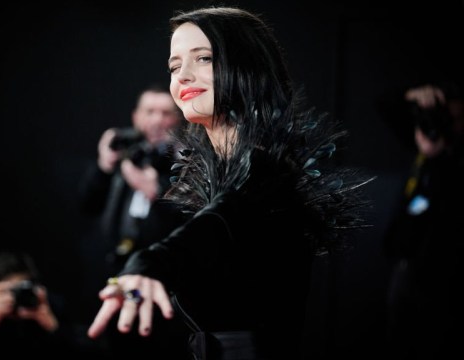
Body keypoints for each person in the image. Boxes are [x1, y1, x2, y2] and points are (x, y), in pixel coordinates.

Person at [87, 7, 372, 360]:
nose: (183, 76)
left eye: (203, 58)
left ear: (247, 66)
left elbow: (219, 220)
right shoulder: (215, 171)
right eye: (175, 66)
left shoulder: (267, 170)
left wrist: (147, 265)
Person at [78, 84, 190, 359]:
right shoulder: (126, 153)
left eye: (165, 113)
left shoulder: (189, 161)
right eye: (149, 112)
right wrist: (105, 165)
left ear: (177, 119)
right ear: (136, 117)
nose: (157, 120)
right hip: (118, 272)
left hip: (166, 281)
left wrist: (157, 191)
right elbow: (87, 205)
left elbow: (196, 219)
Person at [381, 83, 464, 359]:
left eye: (454, 120)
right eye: (444, 118)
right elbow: (385, 104)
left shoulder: (451, 162)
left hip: (440, 280)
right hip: (405, 265)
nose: (447, 127)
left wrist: (442, 155)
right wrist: (412, 95)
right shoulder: (425, 146)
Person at [0, 251, 81, 359]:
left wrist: (50, 323)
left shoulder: (49, 302)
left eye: (21, 289)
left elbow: (73, 350)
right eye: (7, 291)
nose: (14, 297)